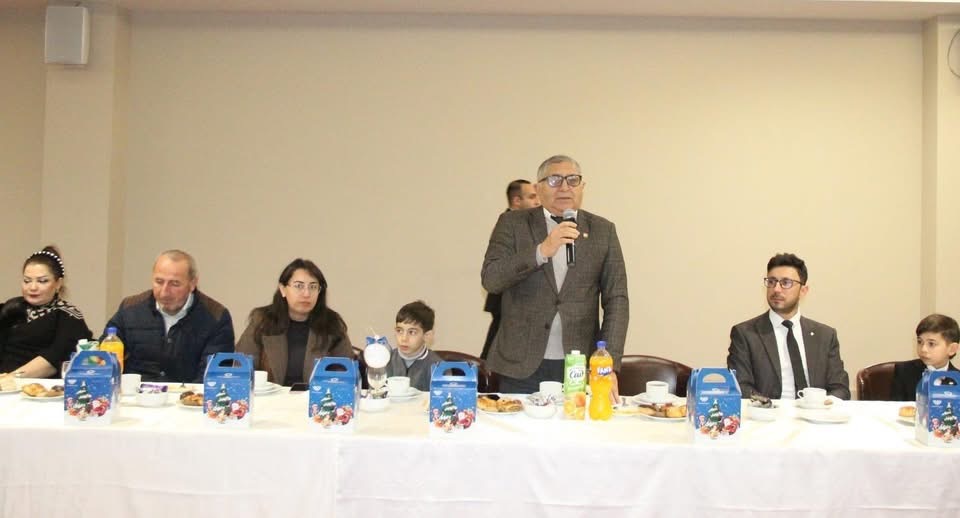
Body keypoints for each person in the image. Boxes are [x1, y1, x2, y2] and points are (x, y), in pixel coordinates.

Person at [481, 154, 629, 394]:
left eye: (572, 180)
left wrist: (606, 362)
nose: (564, 187)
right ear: (538, 188)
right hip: (520, 364)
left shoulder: (603, 231)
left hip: (579, 363)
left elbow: (617, 300)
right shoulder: (512, 223)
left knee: (576, 420)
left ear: (582, 187)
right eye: (554, 180)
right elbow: (492, 279)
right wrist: (541, 251)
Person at [727, 253, 851, 400]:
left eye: (786, 283)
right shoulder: (745, 334)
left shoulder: (825, 336)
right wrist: (772, 407)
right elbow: (741, 387)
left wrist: (820, 404)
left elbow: (840, 388)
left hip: (816, 412)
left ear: (803, 291)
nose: (776, 289)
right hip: (767, 412)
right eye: (771, 282)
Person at [104, 250, 234, 382]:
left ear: (192, 284)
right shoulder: (130, 309)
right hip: (135, 392)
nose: (164, 292)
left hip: (190, 393)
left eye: (174, 284)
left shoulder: (216, 317)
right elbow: (104, 360)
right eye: (159, 282)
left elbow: (213, 376)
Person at [236, 258, 353, 385]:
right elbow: (240, 368)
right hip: (269, 397)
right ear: (283, 289)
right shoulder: (262, 321)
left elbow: (346, 373)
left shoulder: (332, 323)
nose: (306, 293)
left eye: (313, 287)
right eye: (299, 286)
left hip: (317, 396)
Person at [0, 246, 92, 379]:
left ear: (58, 283)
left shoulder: (69, 316)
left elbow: (53, 360)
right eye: (27, 281)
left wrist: (10, 379)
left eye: (42, 281)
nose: (32, 287)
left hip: (40, 386)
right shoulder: (12, 307)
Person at [482, 179, 541, 360]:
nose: (537, 201)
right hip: (507, 296)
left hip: (512, 297)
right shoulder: (508, 225)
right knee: (497, 348)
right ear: (516, 201)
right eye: (532, 197)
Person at [890, 314, 960, 401]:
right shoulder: (903, 371)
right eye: (920, 342)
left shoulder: (958, 378)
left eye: (931, 344)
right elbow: (895, 407)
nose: (923, 349)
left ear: (952, 349)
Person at [385, 300, 443, 391]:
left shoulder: (438, 367)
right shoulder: (386, 360)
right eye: (399, 331)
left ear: (427, 336)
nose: (404, 338)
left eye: (412, 332)